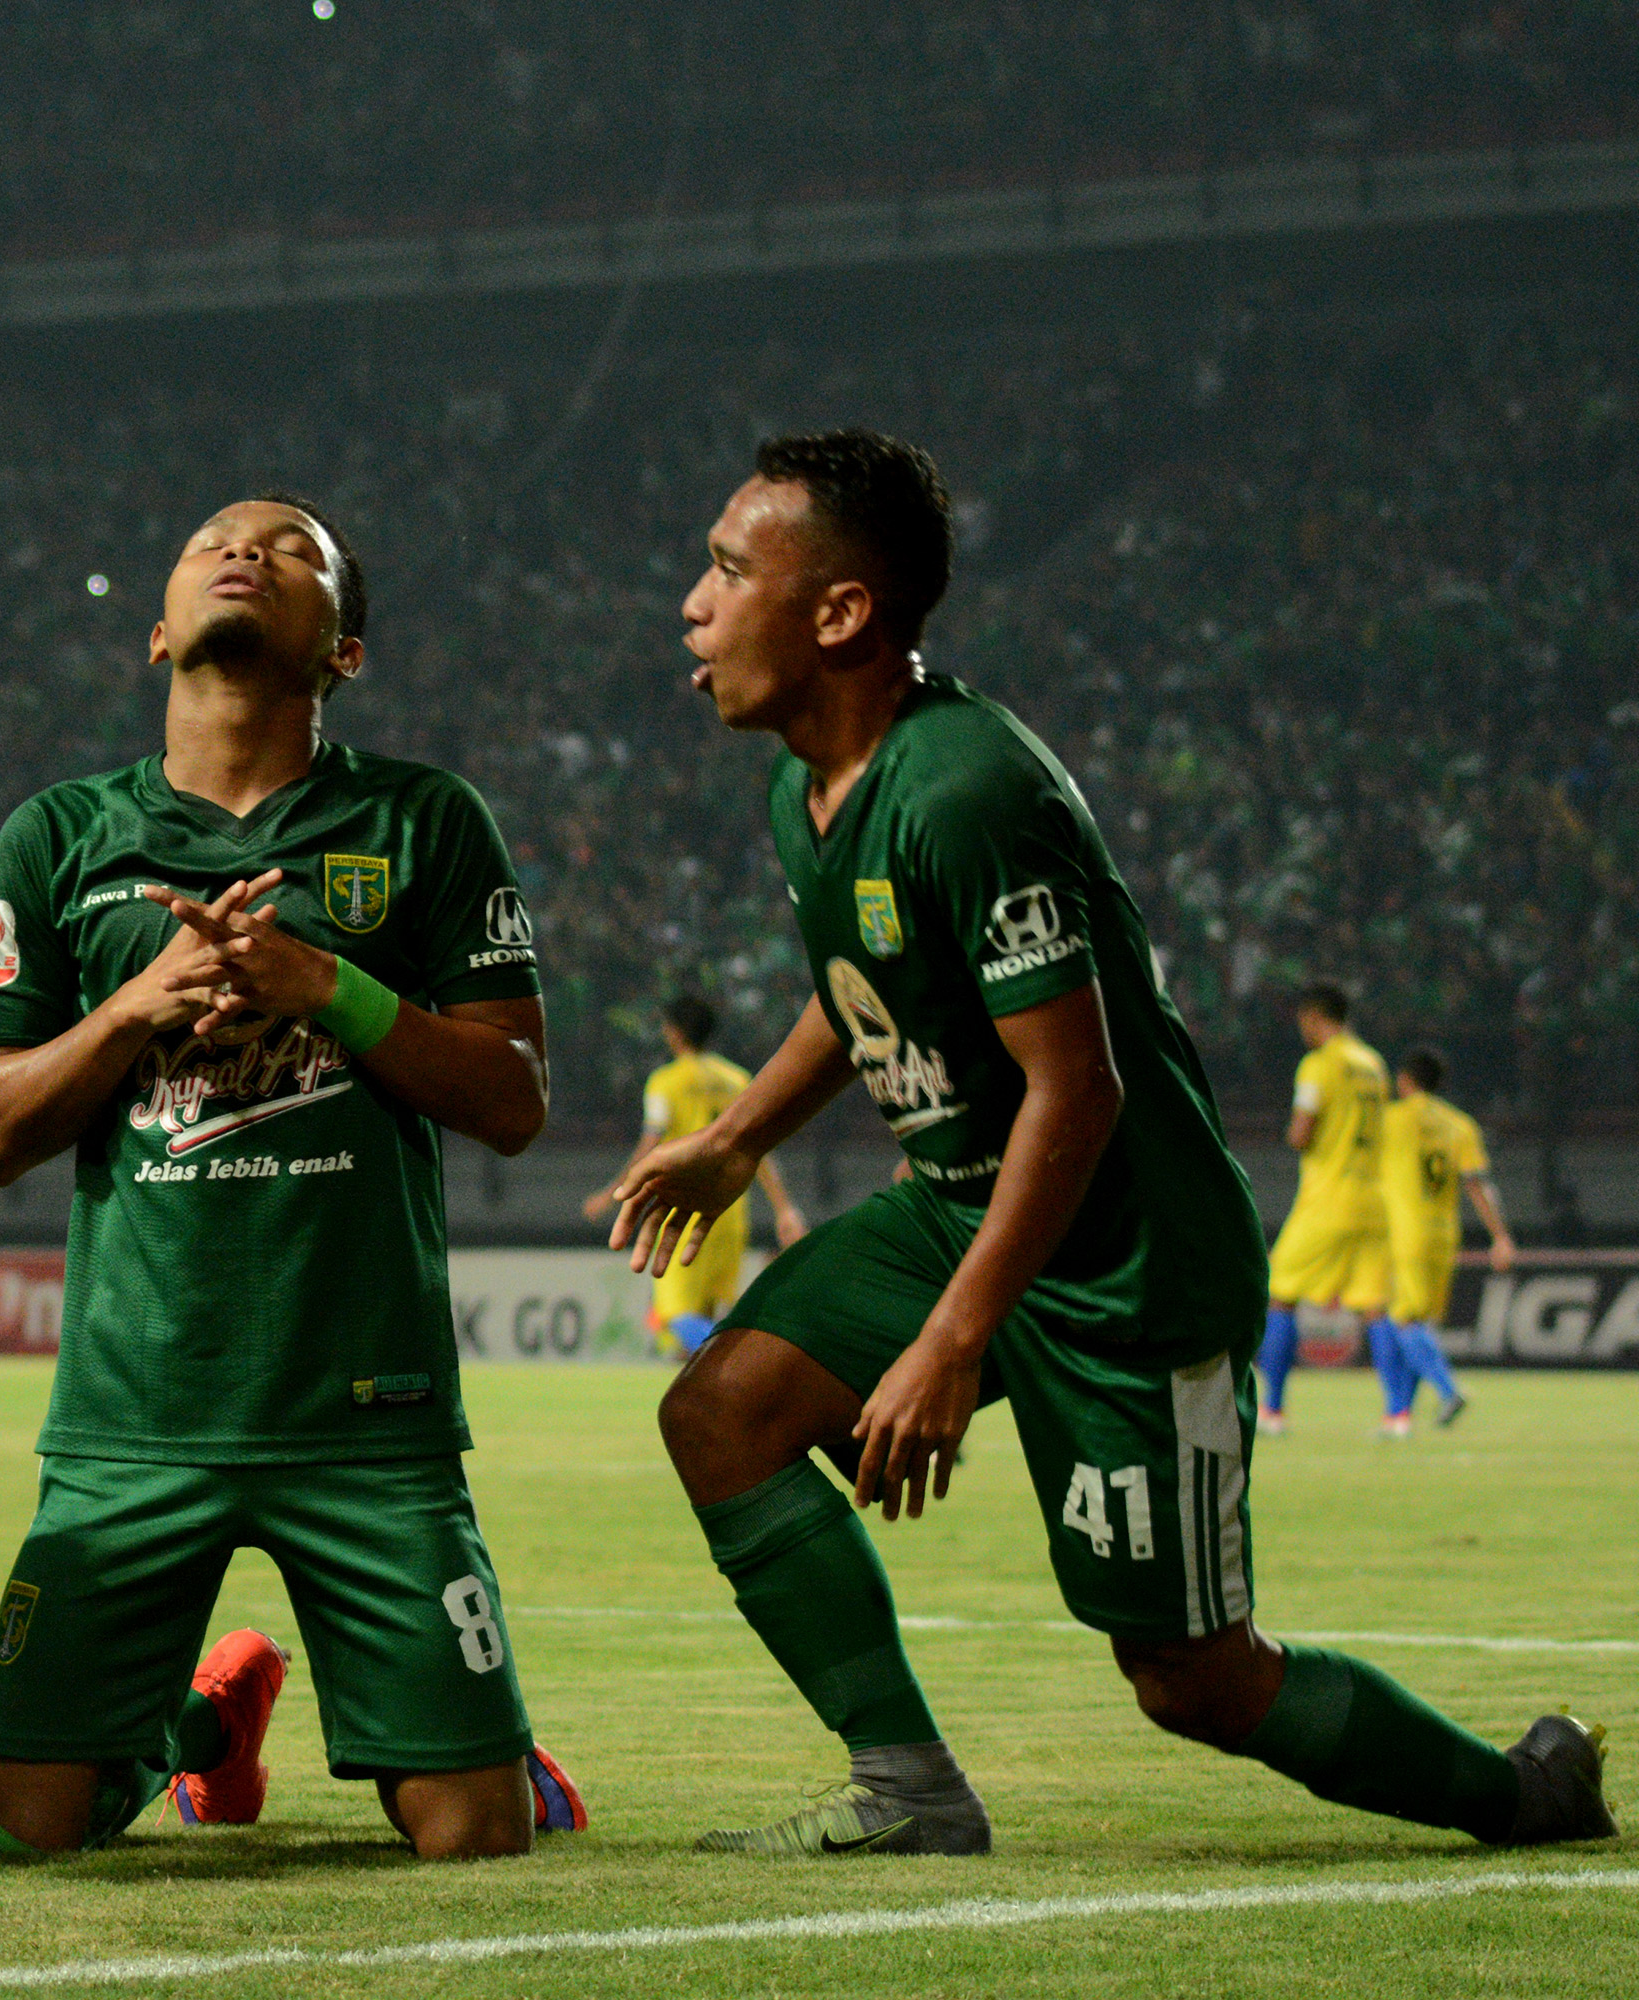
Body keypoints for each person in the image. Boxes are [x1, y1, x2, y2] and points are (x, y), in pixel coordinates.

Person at [608, 428, 1612, 1856]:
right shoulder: (806, 787)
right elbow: (866, 988)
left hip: (1126, 1266)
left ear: (838, 613)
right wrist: (733, 1139)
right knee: (720, 1412)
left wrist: (952, 1344)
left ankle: (1522, 1795)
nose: (692, 604)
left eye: (724, 569)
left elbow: (1077, 1098)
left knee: (1191, 1680)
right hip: (966, 1208)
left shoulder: (965, 788)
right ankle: (908, 1794)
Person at [0, 492, 583, 1861]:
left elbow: (519, 1102)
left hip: (367, 1411)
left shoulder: (424, 822)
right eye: (210, 544)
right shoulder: (58, 839)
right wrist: (140, 1006)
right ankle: (198, 1737)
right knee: (26, 1829)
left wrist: (328, 989)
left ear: (344, 649)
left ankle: (494, 1754)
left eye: (295, 550)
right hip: (135, 1411)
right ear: (156, 632)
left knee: (473, 1836)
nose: (246, 551)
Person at [583, 994, 808, 1353]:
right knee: (701, 1319)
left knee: (672, 1316)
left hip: (683, 1210)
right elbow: (758, 1148)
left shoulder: (665, 1081)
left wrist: (613, 1193)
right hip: (729, 1213)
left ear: (674, 1034)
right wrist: (784, 1208)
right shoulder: (736, 1078)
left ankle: (753, 1358)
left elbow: (650, 1145)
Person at [1256, 985, 1391, 1434]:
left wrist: (1295, 1133)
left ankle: (1271, 1412)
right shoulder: (1373, 1064)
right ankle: (1398, 1415)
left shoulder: (1319, 1064)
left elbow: (1302, 1132)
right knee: (1374, 1306)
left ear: (1314, 1017)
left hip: (1329, 1198)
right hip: (1374, 1199)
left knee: (1279, 1294)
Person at [1372, 1047, 1516, 1434]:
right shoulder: (1460, 1124)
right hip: (1444, 1234)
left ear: (1405, 1080)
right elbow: (1478, 1185)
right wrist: (1500, 1236)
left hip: (1405, 1232)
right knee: (1415, 1320)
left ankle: (1448, 1391)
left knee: (1401, 1319)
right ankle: (1398, 1417)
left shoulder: (1391, 1119)